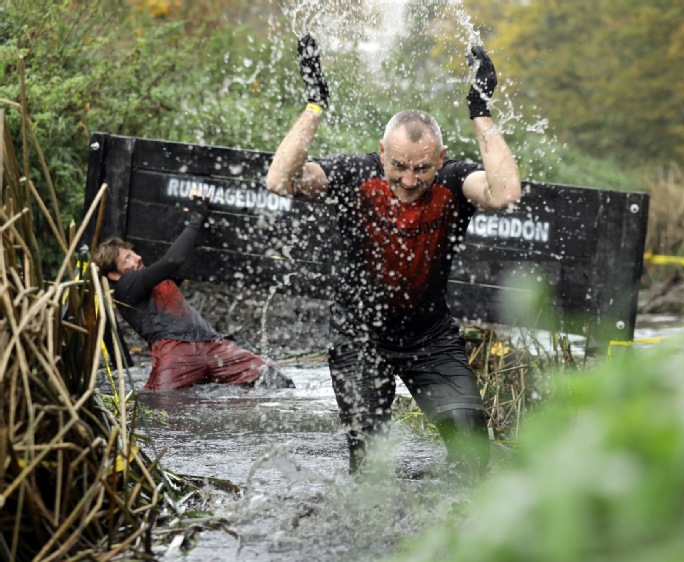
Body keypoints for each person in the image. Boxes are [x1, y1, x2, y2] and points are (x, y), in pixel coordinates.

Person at [266, 34, 521, 474]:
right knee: (371, 466)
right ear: (382, 153)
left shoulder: (453, 182)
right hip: (359, 338)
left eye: (421, 167)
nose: (407, 179)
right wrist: (314, 104)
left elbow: (505, 194)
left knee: (472, 452)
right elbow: (279, 180)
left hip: (430, 337)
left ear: (439, 159)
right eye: (398, 166)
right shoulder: (353, 175)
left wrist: (480, 111)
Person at [93, 193, 294, 392]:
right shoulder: (125, 286)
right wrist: (196, 218)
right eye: (127, 258)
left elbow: (177, 254)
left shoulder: (153, 279)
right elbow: (173, 259)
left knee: (275, 379)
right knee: (165, 410)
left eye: (133, 252)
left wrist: (188, 217)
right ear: (113, 274)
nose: (137, 258)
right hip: (175, 352)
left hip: (212, 344)